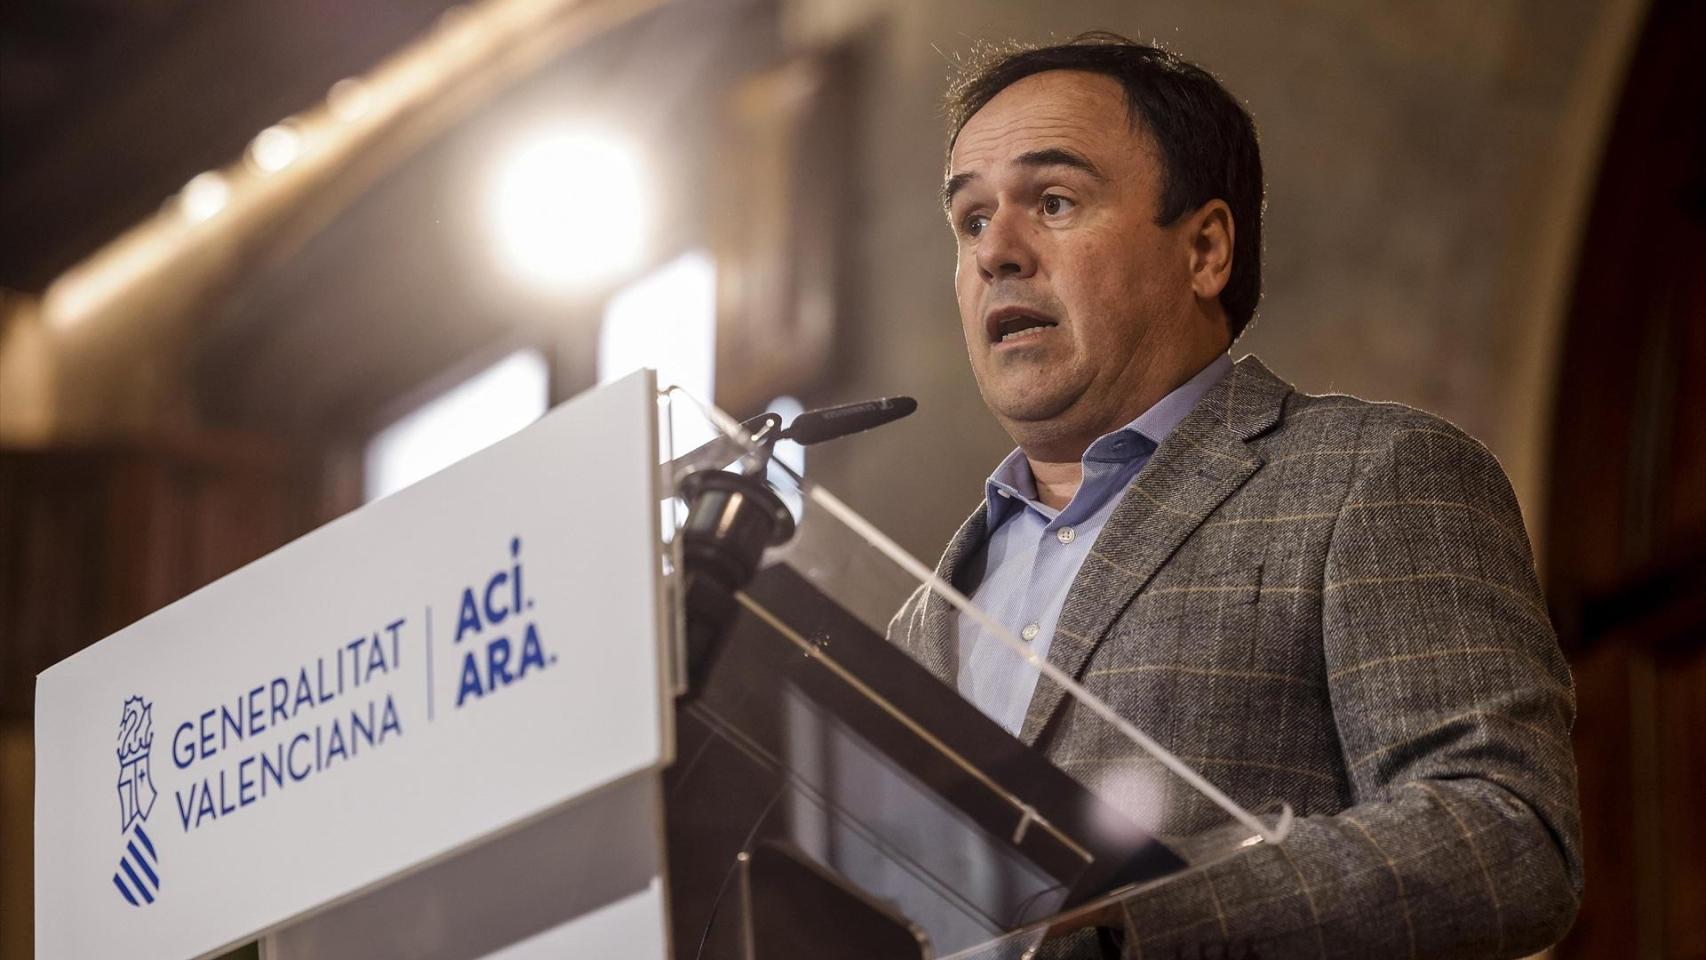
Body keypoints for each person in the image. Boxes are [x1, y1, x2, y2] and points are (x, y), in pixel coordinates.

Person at [889, 32, 1582, 958]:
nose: (996, 254)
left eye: (1052, 202)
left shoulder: (1371, 478)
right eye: (970, 221)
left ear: (1205, 248)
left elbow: (1506, 836)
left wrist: (1139, 920)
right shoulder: (917, 620)